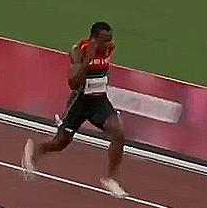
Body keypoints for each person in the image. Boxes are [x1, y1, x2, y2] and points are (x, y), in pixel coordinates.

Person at [22, 21, 128, 198]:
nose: (108, 44)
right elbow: (72, 82)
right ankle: (34, 151)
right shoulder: (79, 51)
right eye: (104, 40)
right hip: (80, 102)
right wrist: (87, 61)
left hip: (99, 101)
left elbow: (103, 68)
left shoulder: (110, 48)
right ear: (93, 39)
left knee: (119, 133)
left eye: (110, 40)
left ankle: (110, 179)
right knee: (60, 143)